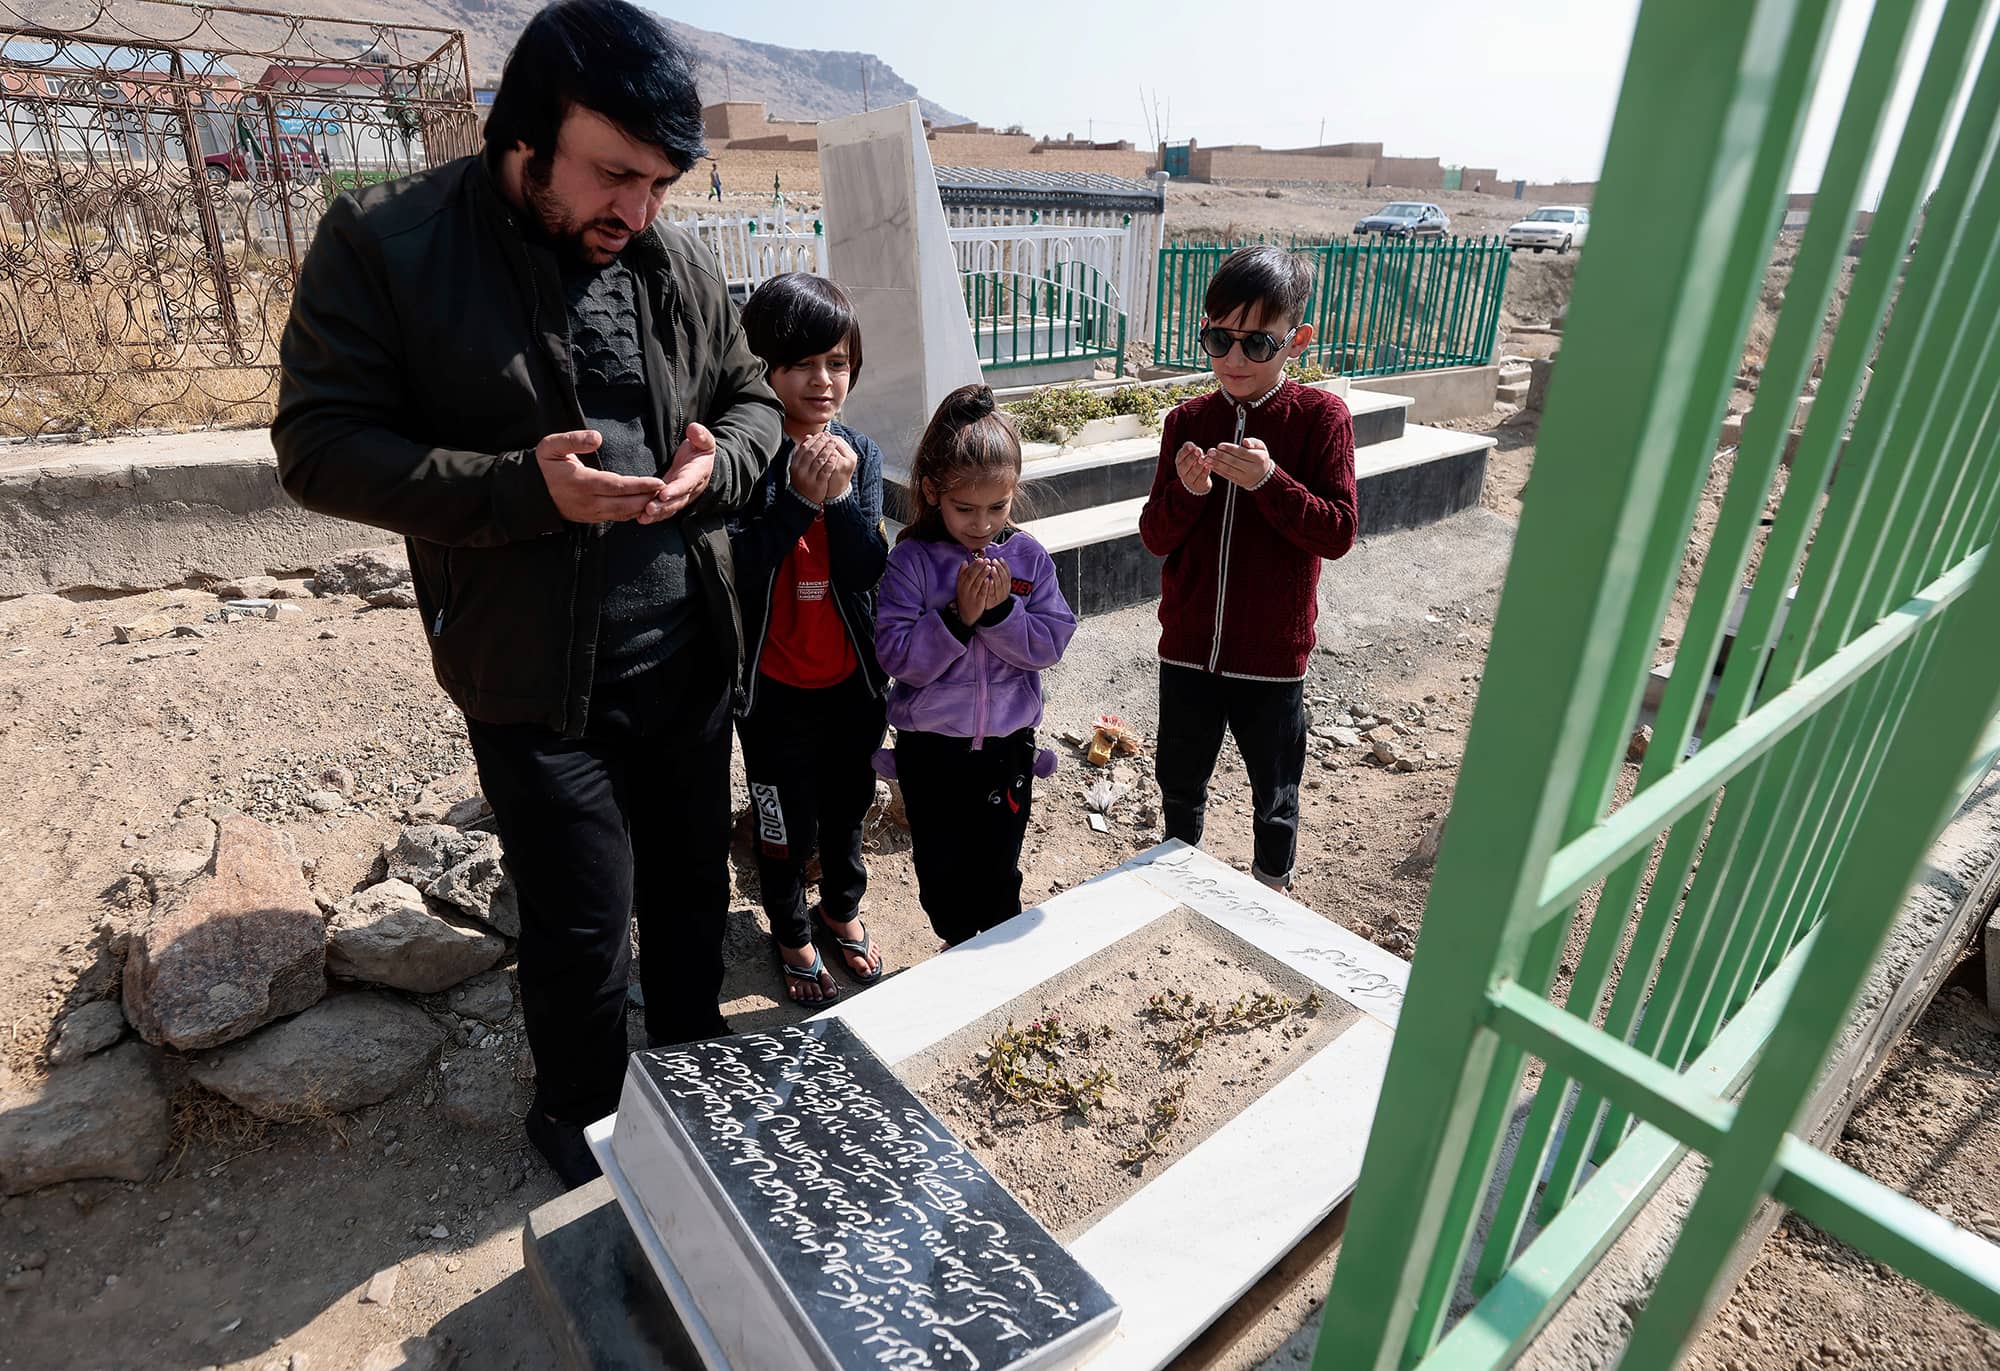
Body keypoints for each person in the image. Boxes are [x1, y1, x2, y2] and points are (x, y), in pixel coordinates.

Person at [271, 0, 783, 1189]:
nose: (636, 211)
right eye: (613, 176)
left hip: (689, 656)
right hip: (529, 674)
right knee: (581, 926)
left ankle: (694, 1071)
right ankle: (583, 1124)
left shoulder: (667, 255)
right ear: (523, 133)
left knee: (691, 893)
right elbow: (319, 446)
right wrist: (518, 491)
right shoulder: (384, 244)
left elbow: (752, 396)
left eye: (659, 184)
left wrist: (723, 468)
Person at [1137, 245, 1358, 892]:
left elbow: (1339, 531)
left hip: (1272, 660)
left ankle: (1271, 894)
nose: (1233, 359)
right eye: (1218, 338)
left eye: (1257, 343)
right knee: (1179, 782)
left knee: (1276, 792)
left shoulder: (1322, 419)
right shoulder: (1187, 422)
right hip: (1187, 653)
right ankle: (1175, 882)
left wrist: (1270, 482)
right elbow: (1155, 535)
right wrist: (1188, 494)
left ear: (1297, 341)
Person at [731, 274, 890, 1003]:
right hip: (772, 693)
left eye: (837, 362)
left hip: (851, 686)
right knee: (780, 819)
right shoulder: (749, 452)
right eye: (801, 365)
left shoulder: (860, 451)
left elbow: (865, 568)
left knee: (849, 805)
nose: (823, 380)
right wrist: (798, 497)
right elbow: (740, 563)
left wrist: (844, 499)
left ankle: (842, 907)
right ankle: (791, 929)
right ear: (763, 366)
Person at [874, 386, 1076, 947]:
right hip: (931, 752)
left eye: (998, 507)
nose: (982, 524)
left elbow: (1050, 641)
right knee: (940, 869)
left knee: (999, 862)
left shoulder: (1028, 558)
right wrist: (958, 619)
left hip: (1007, 745)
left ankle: (993, 959)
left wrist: (1000, 612)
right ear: (933, 491)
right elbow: (897, 658)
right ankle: (957, 944)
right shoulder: (912, 560)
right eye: (965, 508)